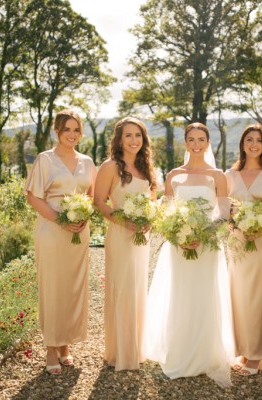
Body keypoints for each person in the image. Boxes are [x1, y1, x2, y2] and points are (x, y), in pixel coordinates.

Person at [142, 122, 235, 387]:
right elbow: (166, 213)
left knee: (205, 295)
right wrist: (179, 236)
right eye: (191, 139)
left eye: (201, 139)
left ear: (208, 143)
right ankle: (180, 353)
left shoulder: (218, 176)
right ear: (185, 143)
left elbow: (225, 213)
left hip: (206, 247)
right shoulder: (174, 175)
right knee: (180, 294)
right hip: (179, 246)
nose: (196, 144)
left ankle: (205, 354)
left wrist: (202, 234)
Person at [24, 109, 97, 375]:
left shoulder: (88, 162)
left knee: (73, 286)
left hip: (79, 232)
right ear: (57, 131)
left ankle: (66, 345)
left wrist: (83, 216)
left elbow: (91, 196)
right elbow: (33, 197)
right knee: (53, 287)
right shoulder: (45, 159)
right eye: (67, 129)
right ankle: (52, 348)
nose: (72, 135)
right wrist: (61, 219)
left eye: (77, 130)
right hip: (52, 231)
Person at [94, 117, 157, 371]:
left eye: (138, 136)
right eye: (128, 135)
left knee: (138, 289)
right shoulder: (110, 166)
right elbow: (99, 201)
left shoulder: (147, 167)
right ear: (119, 139)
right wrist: (122, 220)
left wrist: (149, 220)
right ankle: (120, 351)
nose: (134, 141)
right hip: (120, 235)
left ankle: (136, 347)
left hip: (141, 238)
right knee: (122, 289)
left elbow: (153, 200)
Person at [224, 124, 262, 376]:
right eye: (249, 139)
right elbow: (222, 211)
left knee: (260, 296)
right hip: (237, 243)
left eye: (259, 140)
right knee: (239, 296)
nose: (253, 144)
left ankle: (257, 354)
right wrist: (234, 226)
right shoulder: (229, 176)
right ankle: (244, 349)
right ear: (242, 144)